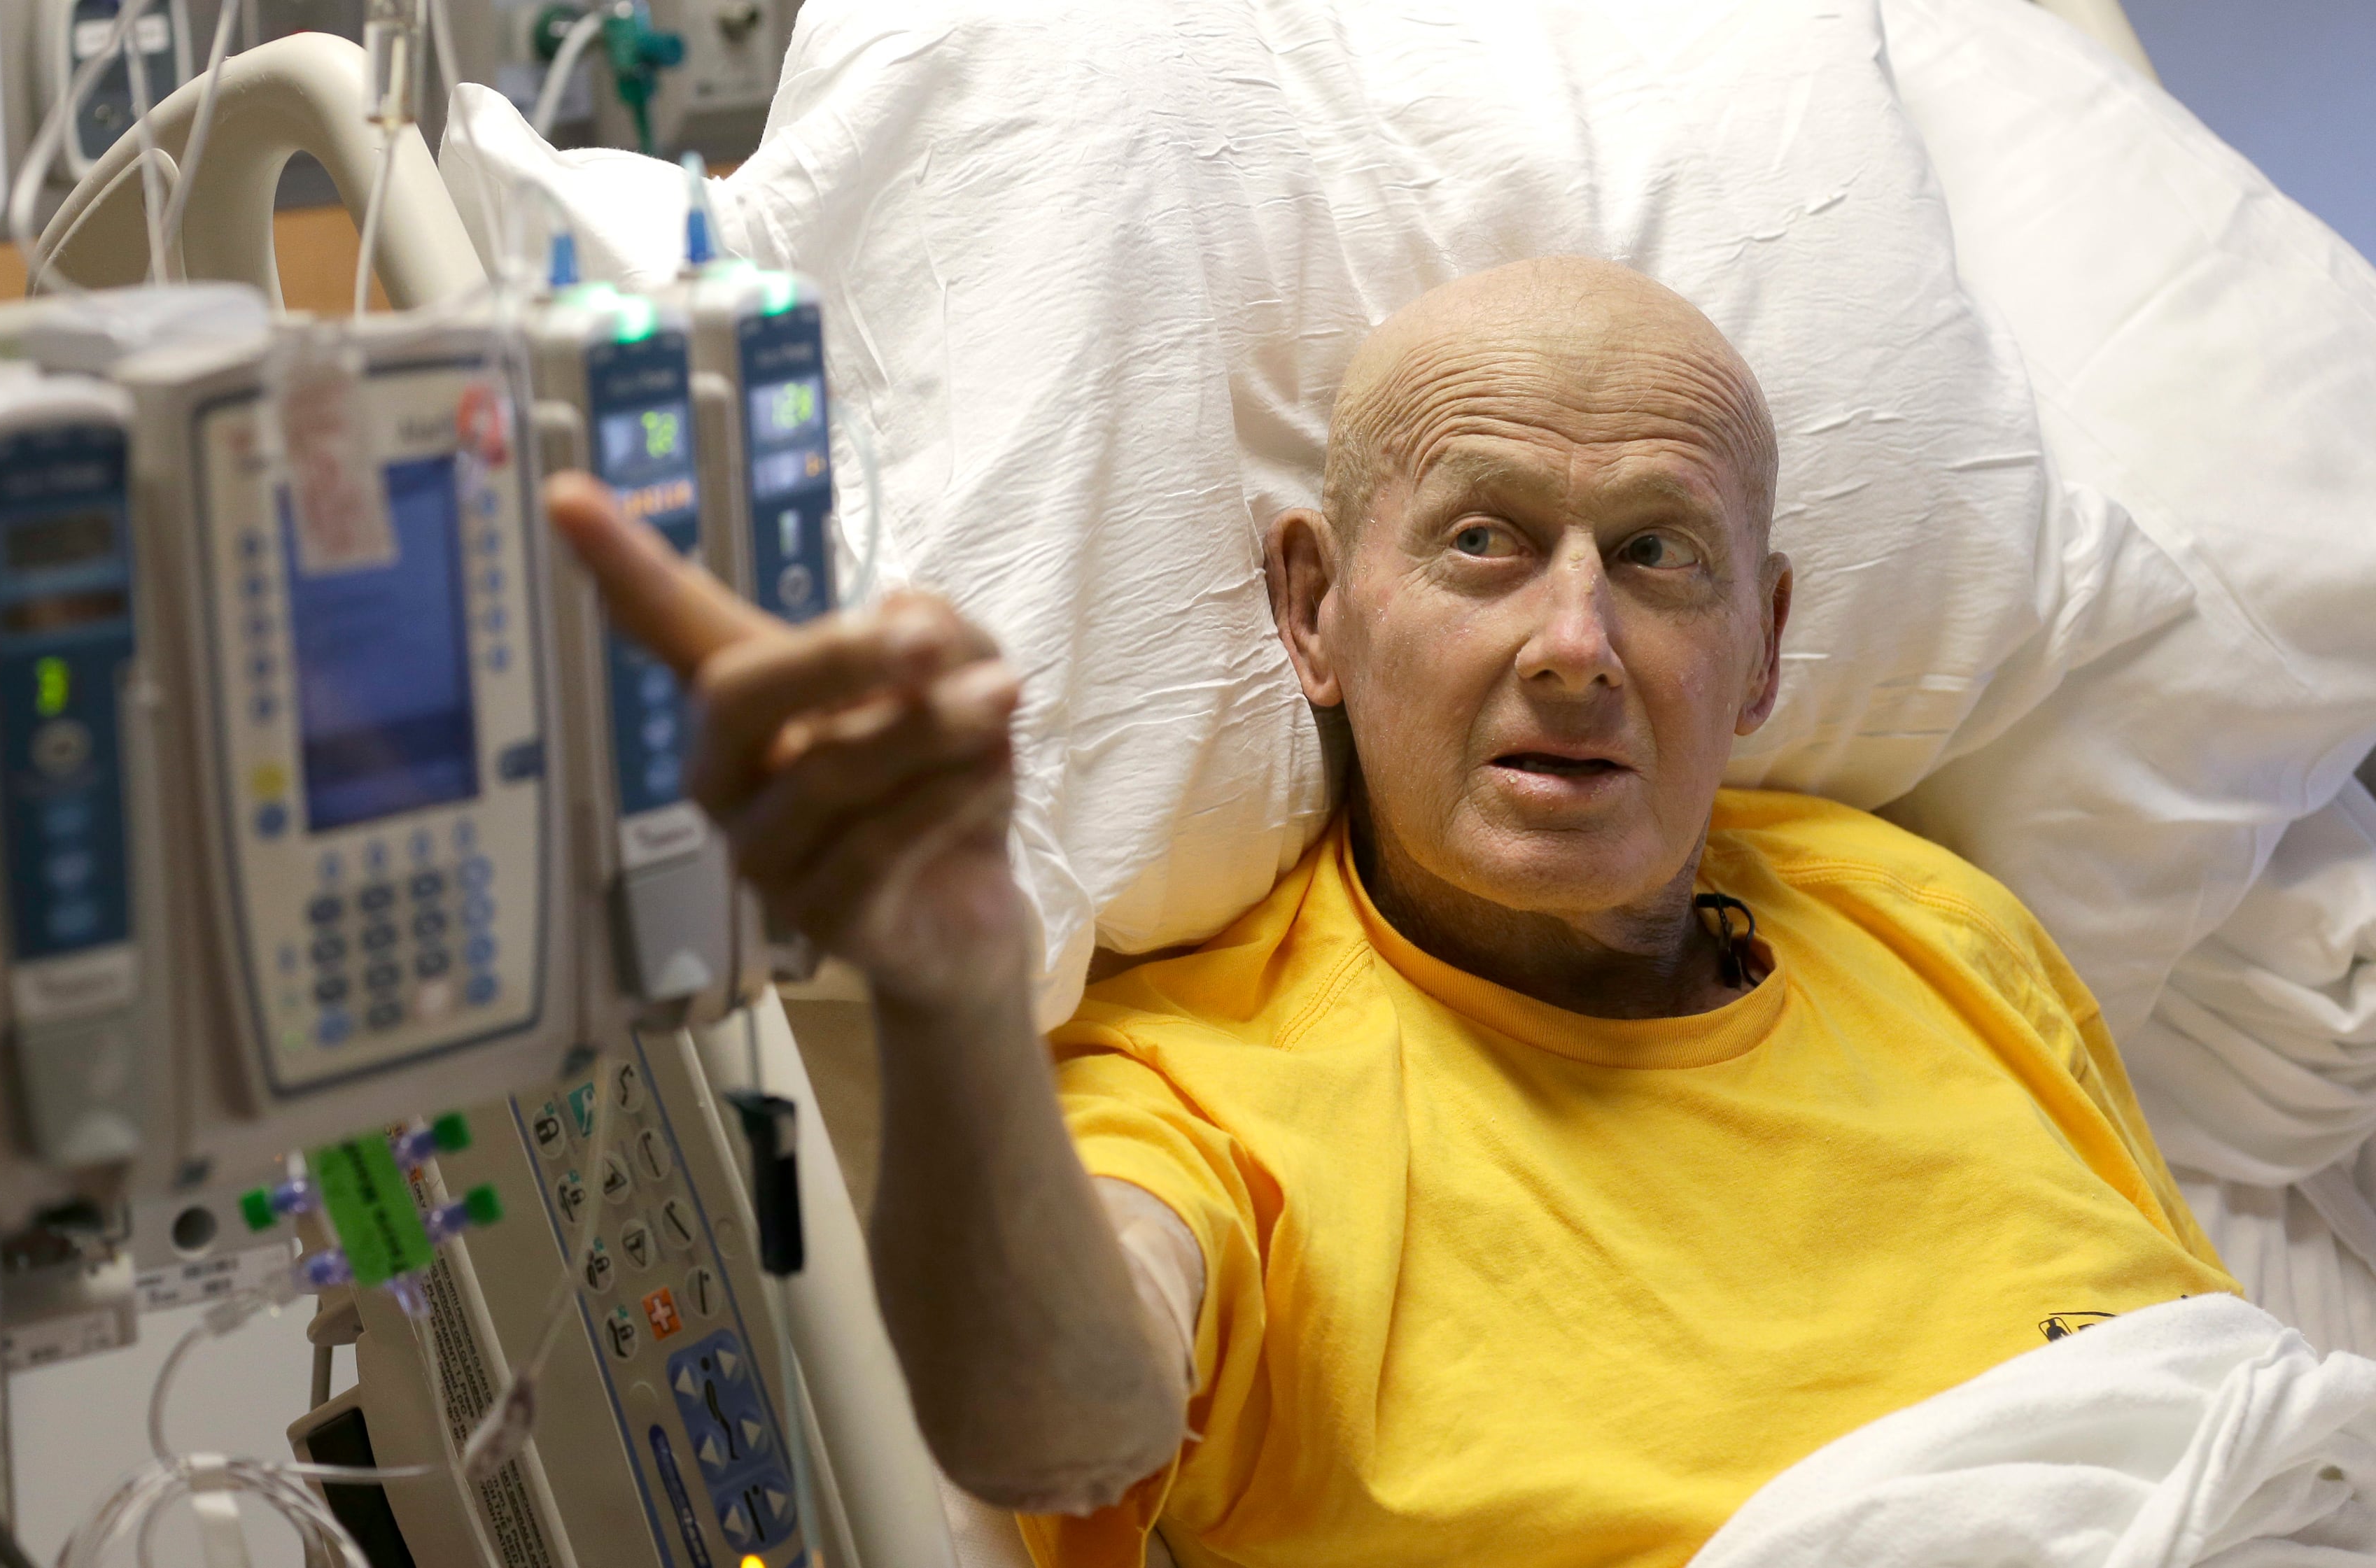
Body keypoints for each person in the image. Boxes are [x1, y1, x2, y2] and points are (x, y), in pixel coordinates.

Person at [546, 256, 2237, 1568]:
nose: (1576, 637)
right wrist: (953, 994)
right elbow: (1055, 1426)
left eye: (1659, 555)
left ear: (1767, 646)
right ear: (1315, 613)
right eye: (1486, 539)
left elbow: (2217, 1404)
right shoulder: (1211, 1093)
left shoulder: (1934, 922)